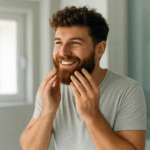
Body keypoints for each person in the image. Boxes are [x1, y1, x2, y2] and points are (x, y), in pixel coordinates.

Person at [20, 5, 147, 150]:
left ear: (100, 49)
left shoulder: (127, 90)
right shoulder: (51, 89)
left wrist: (92, 116)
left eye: (75, 43)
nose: (63, 52)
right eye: (58, 42)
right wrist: (48, 111)